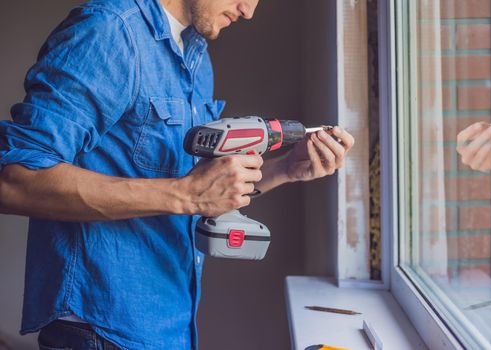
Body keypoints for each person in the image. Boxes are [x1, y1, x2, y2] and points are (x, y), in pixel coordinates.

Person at [0, 0, 355, 349]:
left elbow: (196, 184)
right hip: (102, 328)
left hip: (168, 322)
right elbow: (14, 180)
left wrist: (285, 169)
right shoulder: (108, 31)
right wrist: (188, 194)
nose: (249, 10)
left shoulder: (195, 54)